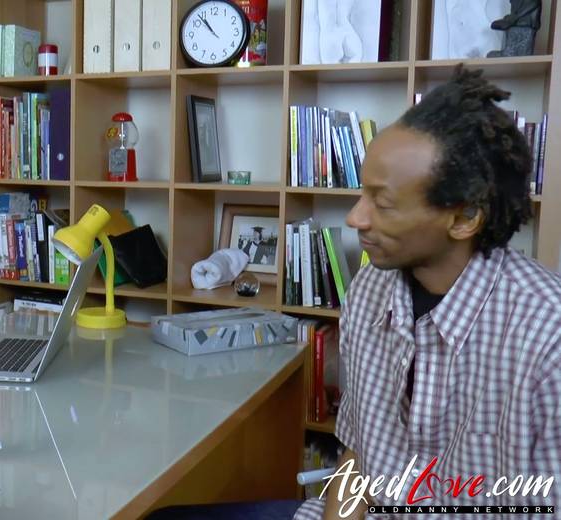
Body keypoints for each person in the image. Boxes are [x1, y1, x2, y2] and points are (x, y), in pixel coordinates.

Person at [151, 66, 561, 519]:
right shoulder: (368, 291)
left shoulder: (548, 337)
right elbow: (358, 456)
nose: (355, 218)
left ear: (464, 218)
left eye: (381, 203)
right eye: (362, 194)